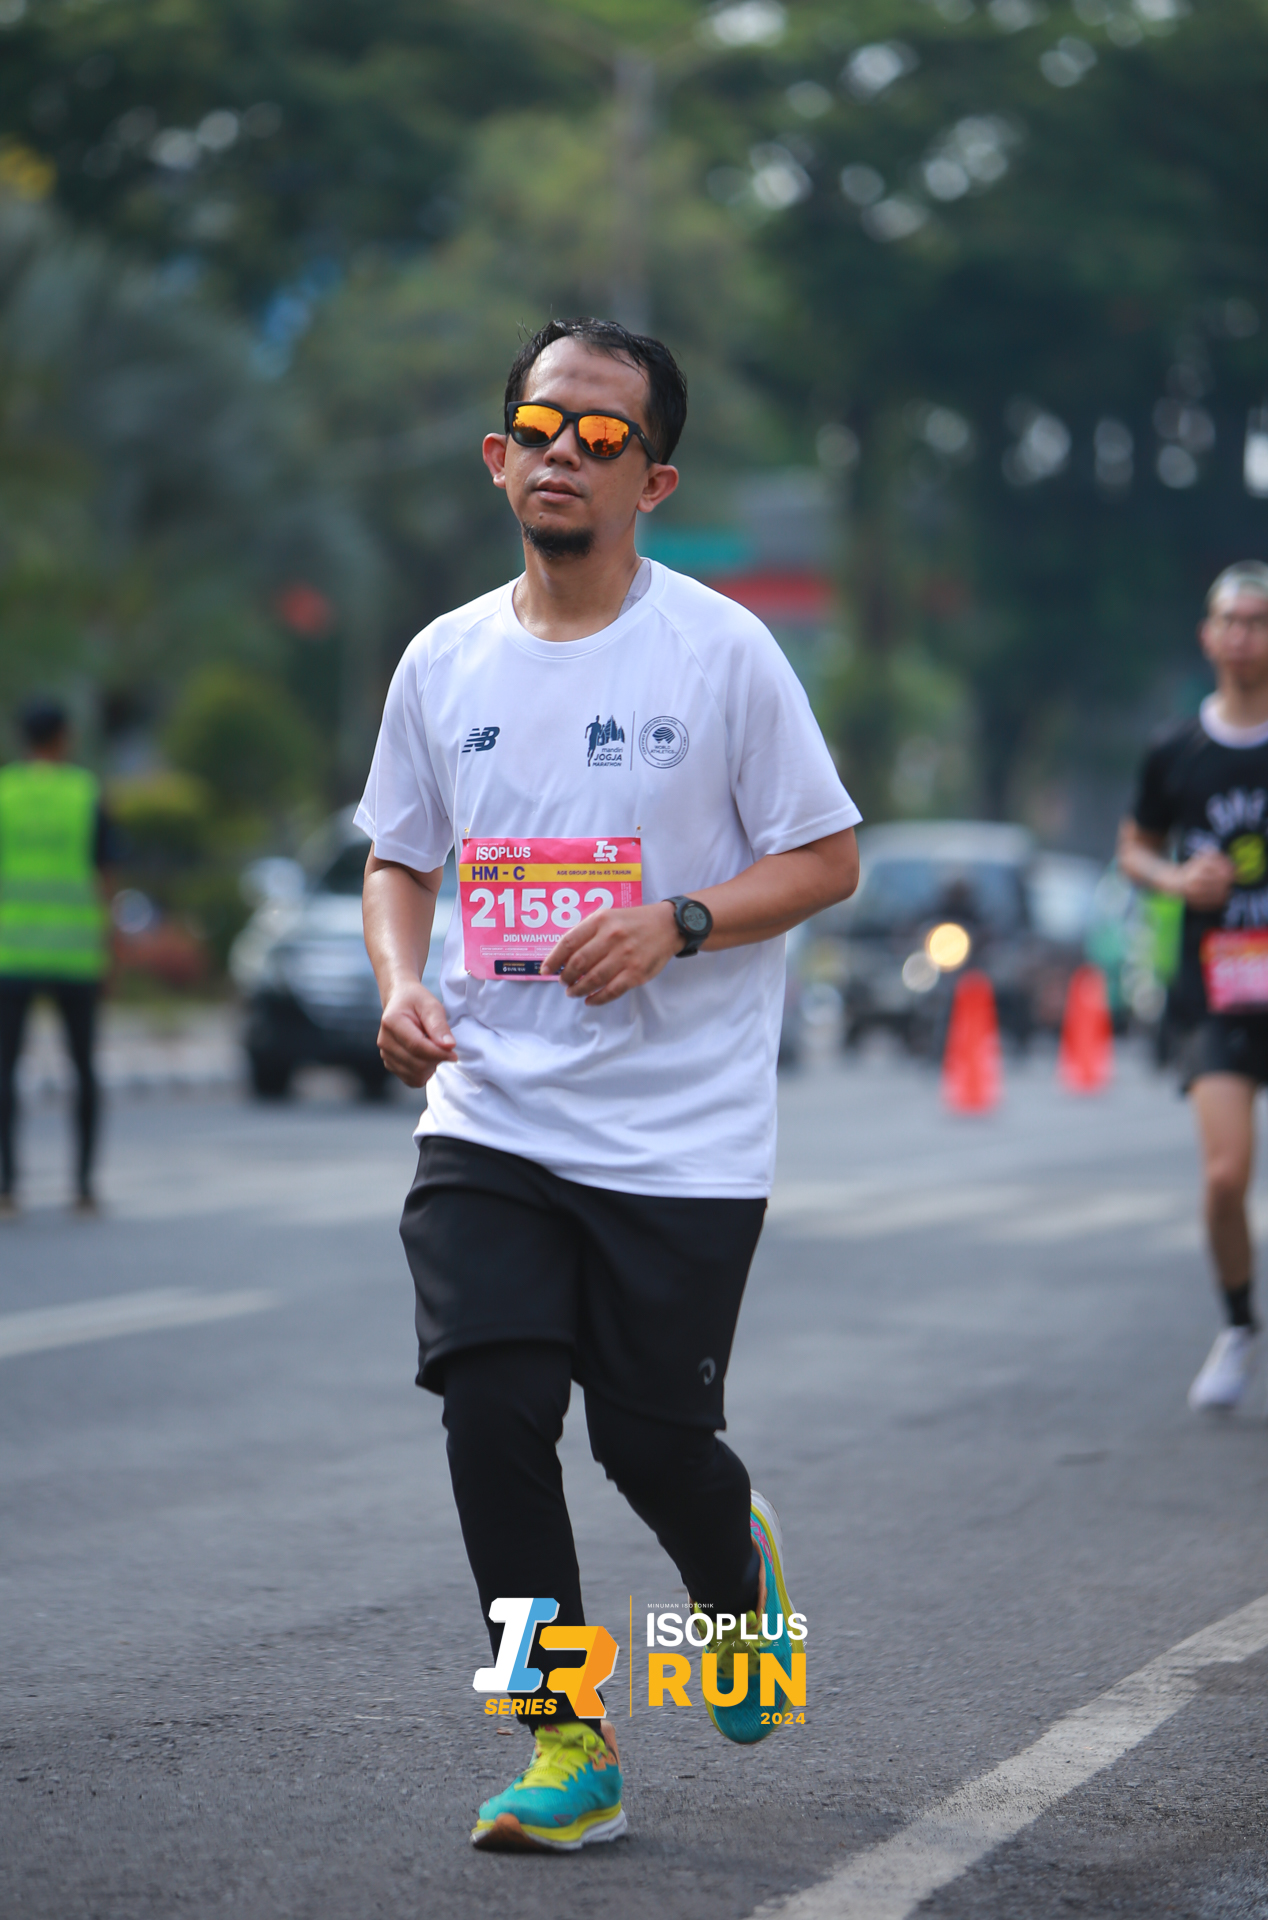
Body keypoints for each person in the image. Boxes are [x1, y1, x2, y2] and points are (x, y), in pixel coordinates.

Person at [357, 316, 860, 1851]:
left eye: (602, 435)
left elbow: (828, 858)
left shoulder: (722, 651)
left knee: (649, 1445)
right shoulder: (443, 659)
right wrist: (400, 983)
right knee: (493, 1411)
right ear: (497, 454)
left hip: (680, 1138)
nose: (564, 452)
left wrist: (680, 921)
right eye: (540, 426)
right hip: (493, 1111)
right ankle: (562, 1737)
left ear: (656, 479)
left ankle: (734, 1586)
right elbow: (398, 856)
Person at [1118, 560, 1268, 1420]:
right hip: (1217, 988)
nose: (1244, 636)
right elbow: (1135, 847)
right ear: (1208, 636)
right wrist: (1178, 880)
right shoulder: (1176, 749)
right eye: (1231, 621)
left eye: (1261, 621)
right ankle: (1241, 1326)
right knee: (1224, 1176)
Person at [0, 698, 112, 1215]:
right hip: (75, 953)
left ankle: (8, 1187)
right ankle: (83, 1186)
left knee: (5, 1072)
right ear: (63, 737)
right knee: (83, 1070)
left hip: (11, 952)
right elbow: (105, 876)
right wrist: (111, 946)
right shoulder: (84, 793)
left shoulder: (4, 792)